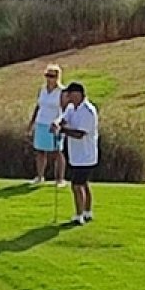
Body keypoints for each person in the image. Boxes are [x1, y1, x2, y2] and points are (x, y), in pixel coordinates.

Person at [57, 81, 99, 226]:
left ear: (78, 94)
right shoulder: (71, 108)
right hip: (75, 155)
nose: (68, 96)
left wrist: (62, 131)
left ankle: (79, 215)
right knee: (83, 184)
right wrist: (58, 124)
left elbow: (80, 133)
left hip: (86, 155)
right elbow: (64, 119)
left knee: (76, 185)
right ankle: (87, 211)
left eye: (70, 94)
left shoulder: (88, 111)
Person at [28, 64, 67, 187]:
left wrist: (60, 124)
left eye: (51, 76)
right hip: (41, 123)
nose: (49, 78)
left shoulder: (62, 91)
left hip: (54, 125)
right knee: (40, 151)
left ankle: (60, 179)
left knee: (57, 152)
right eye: (47, 75)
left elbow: (65, 110)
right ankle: (39, 177)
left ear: (57, 77)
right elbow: (38, 106)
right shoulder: (42, 90)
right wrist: (32, 123)